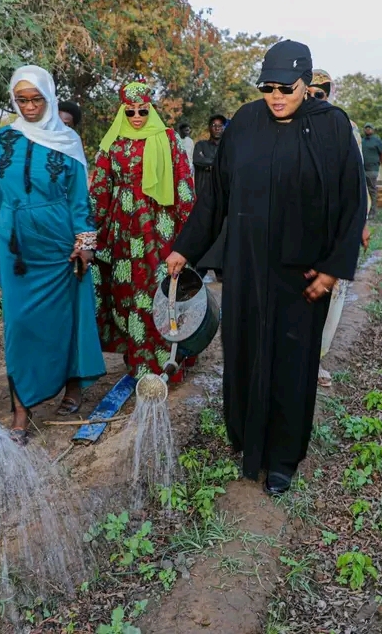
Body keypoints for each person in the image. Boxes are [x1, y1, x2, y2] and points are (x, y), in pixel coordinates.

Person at [166, 40, 366, 496]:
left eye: (285, 88)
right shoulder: (246, 124)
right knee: (245, 353)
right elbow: (215, 197)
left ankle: (282, 459)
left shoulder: (332, 127)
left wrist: (333, 270)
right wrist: (185, 248)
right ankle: (246, 442)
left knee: (292, 362)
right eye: (267, 88)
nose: (276, 96)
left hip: (303, 274)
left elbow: (352, 203)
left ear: (306, 84)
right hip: (247, 265)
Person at [0, 66, 106, 444]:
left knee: (67, 317)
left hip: (58, 242)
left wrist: (85, 244)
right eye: (22, 99)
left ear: (49, 97)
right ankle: (22, 407)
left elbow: (79, 198)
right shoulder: (4, 139)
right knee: (19, 325)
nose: (30, 106)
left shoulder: (67, 140)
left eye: (37, 99)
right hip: (16, 243)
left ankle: (74, 386)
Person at [90, 81, 195, 381]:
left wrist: (190, 235)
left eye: (143, 111)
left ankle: (167, 359)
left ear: (152, 108)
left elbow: (183, 185)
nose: (137, 116)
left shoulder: (168, 139)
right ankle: (137, 359)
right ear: (123, 109)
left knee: (162, 289)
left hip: (159, 231)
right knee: (127, 293)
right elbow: (100, 189)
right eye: (131, 111)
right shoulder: (112, 143)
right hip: (123, 231)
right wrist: (91, 231)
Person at [308, 69, 371, 388]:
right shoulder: (290, 124)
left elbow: (356, 179)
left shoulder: (346, 127)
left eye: (319, 94)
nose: (313, 100)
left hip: (336, 224)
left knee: (332, 292)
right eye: (308, 93)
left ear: (328, 95)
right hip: (301, 225)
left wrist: (360, 222)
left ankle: (316, 359)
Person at [192, 114, 228, 280]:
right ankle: (199, 269)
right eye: (214, 125)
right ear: (209, 128)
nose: (217, 128)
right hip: (203, 196)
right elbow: (199, 161)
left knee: (220, 233)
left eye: (220, 125)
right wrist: (216, 164)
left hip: (223, 199)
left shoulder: (228, 147)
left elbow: (228, 164)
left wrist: (212, 164)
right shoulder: (201, 145)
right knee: (202, 231)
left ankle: (220, 270)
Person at [360, 123, 382, 218]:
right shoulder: (361, 141)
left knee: (372, 190)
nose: (367, 130)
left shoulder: (377, 141)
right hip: (362, 169)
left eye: (369, 128)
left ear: (373, 130)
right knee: (363, 191)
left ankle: (373, 211)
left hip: (372, 169)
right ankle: (364, 211)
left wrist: (378, 163)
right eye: (366, 128)